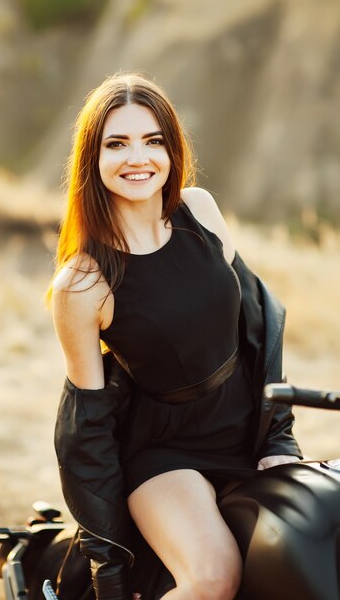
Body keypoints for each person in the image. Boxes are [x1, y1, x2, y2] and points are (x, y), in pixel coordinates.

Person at [48, 72, 302, 600]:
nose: (137, 158)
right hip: (166, 455)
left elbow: (256, 327)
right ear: (91, 160)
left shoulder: (200, 209)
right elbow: (85, 428)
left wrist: (279, 437)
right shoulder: (82, 283)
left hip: (248, 429)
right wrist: (106, 560)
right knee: (214, 578)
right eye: (116, 143)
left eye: (153, 140)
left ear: (171, 147)